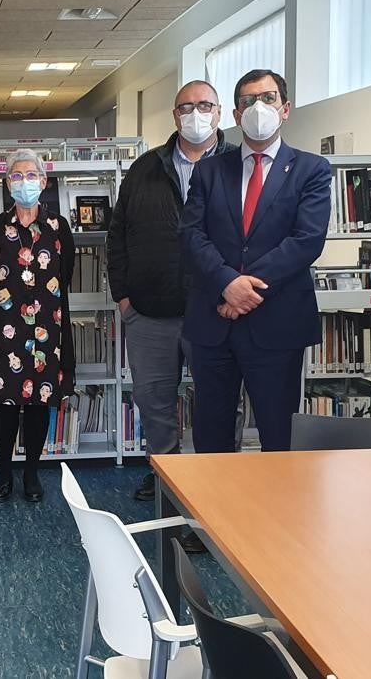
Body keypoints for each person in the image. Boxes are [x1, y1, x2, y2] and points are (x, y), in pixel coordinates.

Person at [179, 69, 331, 452]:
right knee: (211, 435)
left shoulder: (310, 170)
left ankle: (275, 513)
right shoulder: (210, 170)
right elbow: (192, 235)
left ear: (285, 109)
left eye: (267, 98)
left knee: (278, 436)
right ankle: (211, 512)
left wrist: (244, 288)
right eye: (247, 101)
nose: (257, 108)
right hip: (214, 323)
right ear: (235, 114)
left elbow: (306, 240)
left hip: (277, 325)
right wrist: (227, 284)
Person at [107, 80, 234, 503]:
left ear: (219, 113)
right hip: (150, 311)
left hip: (217, 309)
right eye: (185, 107)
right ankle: (165, 472)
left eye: (204, 106)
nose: (195, 115)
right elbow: (118, 234)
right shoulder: (145, 168)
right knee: (153, 400)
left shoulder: (240, 165)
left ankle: (213, 479)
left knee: (216, 401)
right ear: (174, 115)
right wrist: (123, 297)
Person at [0, 149, 76, 503]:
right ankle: (3, 474)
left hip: (48, 333)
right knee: (5, 407)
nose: (24, 182)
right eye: (16, 176)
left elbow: (65, 277)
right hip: (6, 333)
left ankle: (31, 473)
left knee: (38, 405)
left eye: (31, 175)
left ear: (44, 181)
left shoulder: (58, 227)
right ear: (7, 184)